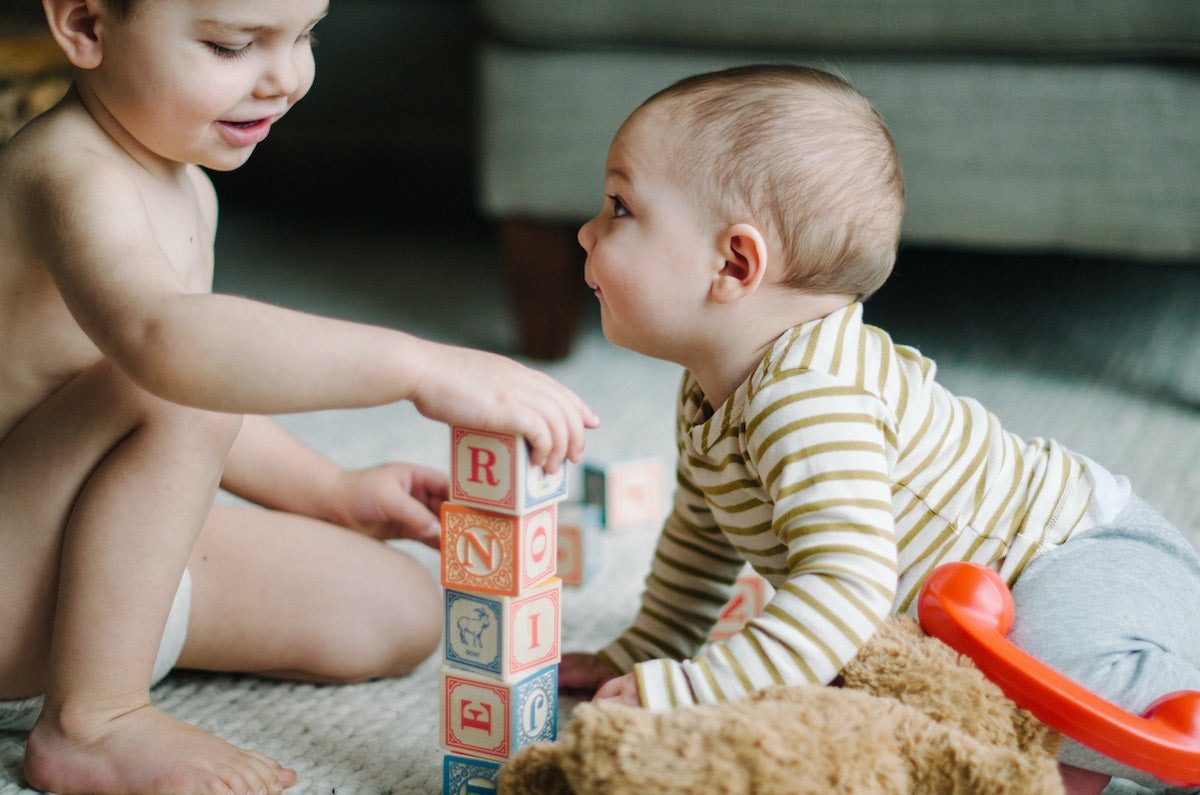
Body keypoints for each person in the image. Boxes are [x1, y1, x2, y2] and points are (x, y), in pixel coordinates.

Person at [0, 1, 600, 793]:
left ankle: (102, 645)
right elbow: (168, 354)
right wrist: (416, 365)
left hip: (70, 563)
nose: (285, 79)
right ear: (84, 25)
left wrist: (334, 491)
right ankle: (93, 718)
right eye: (231, 45)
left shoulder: (184, 188)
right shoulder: (63, 173)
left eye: (306, 36)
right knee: (171, 369)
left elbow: (182, 395)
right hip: (11, 563)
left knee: (393, 610)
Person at [559, 63, 1200, 794]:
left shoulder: (806, 396)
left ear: (734, 263)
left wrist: (700, 687)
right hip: (982, 599)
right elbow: (703, 533)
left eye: (619, 207)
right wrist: (648, 648)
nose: (586, 230)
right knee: (922, 702)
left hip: (1079, 553)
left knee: (1045, 676)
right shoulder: (709, 388)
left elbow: (846, 584)